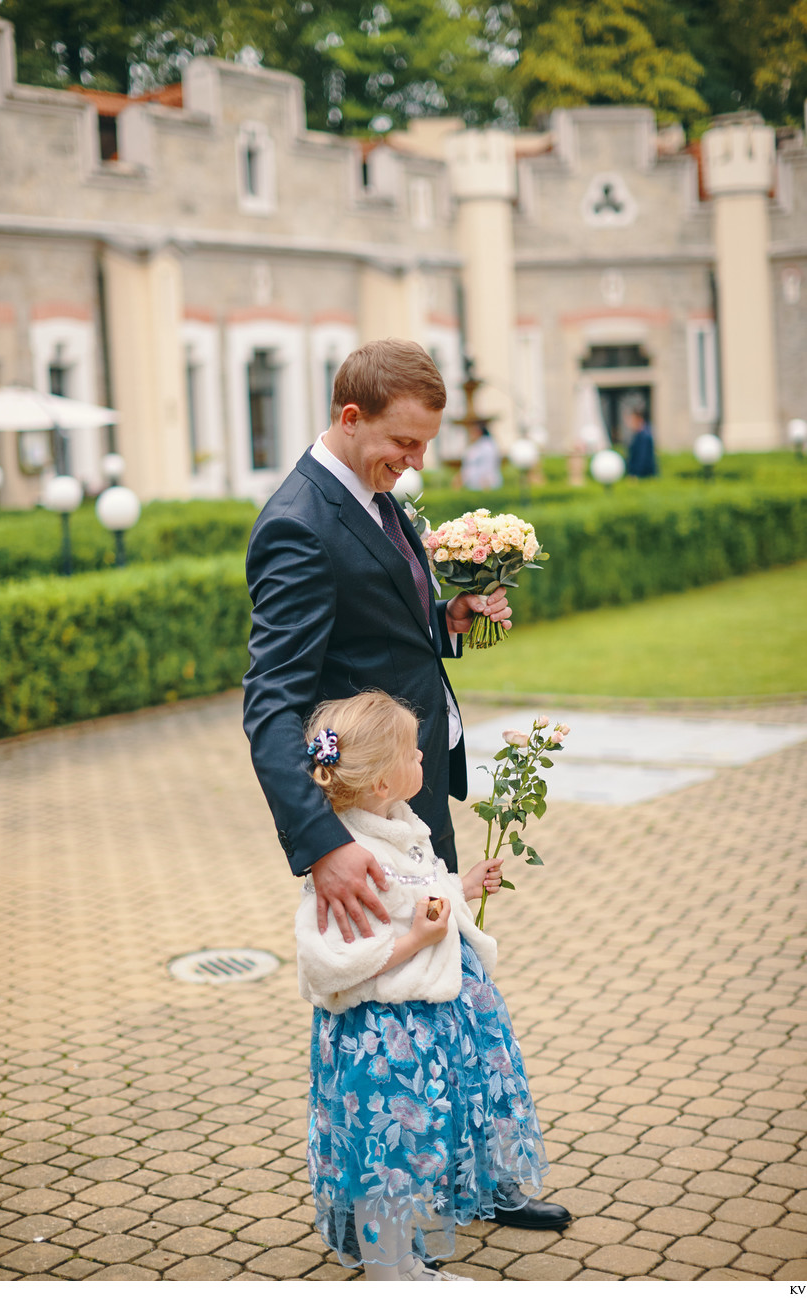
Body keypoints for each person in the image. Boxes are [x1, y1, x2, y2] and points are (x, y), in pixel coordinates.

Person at [243, 338, 570, 1232]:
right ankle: (384, 1214)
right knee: (383, 1019)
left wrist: (452, 618)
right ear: (350, 419)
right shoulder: (298, 523)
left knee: (454, 986)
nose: (419, 461)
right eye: (405, 442)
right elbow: (271, 708)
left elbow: (390, 633)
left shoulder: (380, 498)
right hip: (365, 823)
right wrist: (324, 845)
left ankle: (474, 1180)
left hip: (414, 790)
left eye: (425, 445)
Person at [297, 691, 555, 1280]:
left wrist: (460, 887)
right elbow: (327, 961)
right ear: (383, 781)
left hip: (422, 1026)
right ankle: (392, 1274)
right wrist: (413, 943)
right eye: (414, 753)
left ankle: (400, 1262)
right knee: (387, 1153)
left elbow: (413, 895)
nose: (424, 758)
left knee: (414, 1152)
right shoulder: (345, 858)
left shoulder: (399, 827)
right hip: (384, 1038)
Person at [459, 422, 502, 491]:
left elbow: (489, 464)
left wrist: (486, 480)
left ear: (479, 432)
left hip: (485, 484)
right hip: (474, 485)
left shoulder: (487, 446)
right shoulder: (474, 446)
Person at [625, 405, 658, 478]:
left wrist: (635, 475)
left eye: (631, 420)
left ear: (639, 420)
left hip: (643, 477)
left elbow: (642, 458)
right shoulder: (640, 434)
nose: (629, 423)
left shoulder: (644, 436)